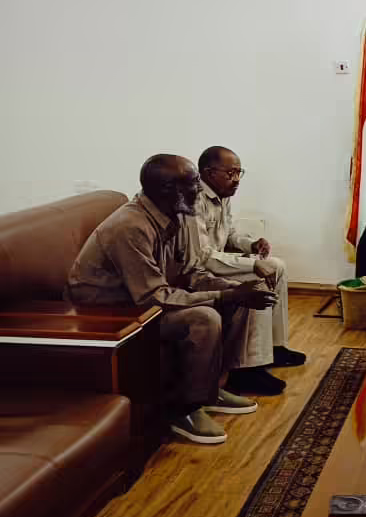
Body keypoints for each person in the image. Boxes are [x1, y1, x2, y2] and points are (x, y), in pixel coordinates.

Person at [66, 155, 278, 445]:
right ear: (168, 190)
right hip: (110, 310)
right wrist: (224, 294)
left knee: (236, 297)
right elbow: (153, 296)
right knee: (204, 318)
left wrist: (233, 290)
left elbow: (191, 271)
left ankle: (209, 389)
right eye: (193, 183)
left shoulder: (179, 212)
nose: (199, 189)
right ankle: (184, 410)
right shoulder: (130, 226)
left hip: (144, 298)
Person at [192, 146, 305, 396]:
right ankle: (246, 369)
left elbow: (230, 235)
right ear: (209, 173)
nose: (236, 180)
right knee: (258, 277)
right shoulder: (195, 201)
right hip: (200, 270)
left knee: (277, 266)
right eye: (230, 173)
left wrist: (251, 245)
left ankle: (275, 347)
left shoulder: (223, 195)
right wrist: (253, 264)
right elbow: (204, 257)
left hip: (217, 263)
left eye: (239, 172)